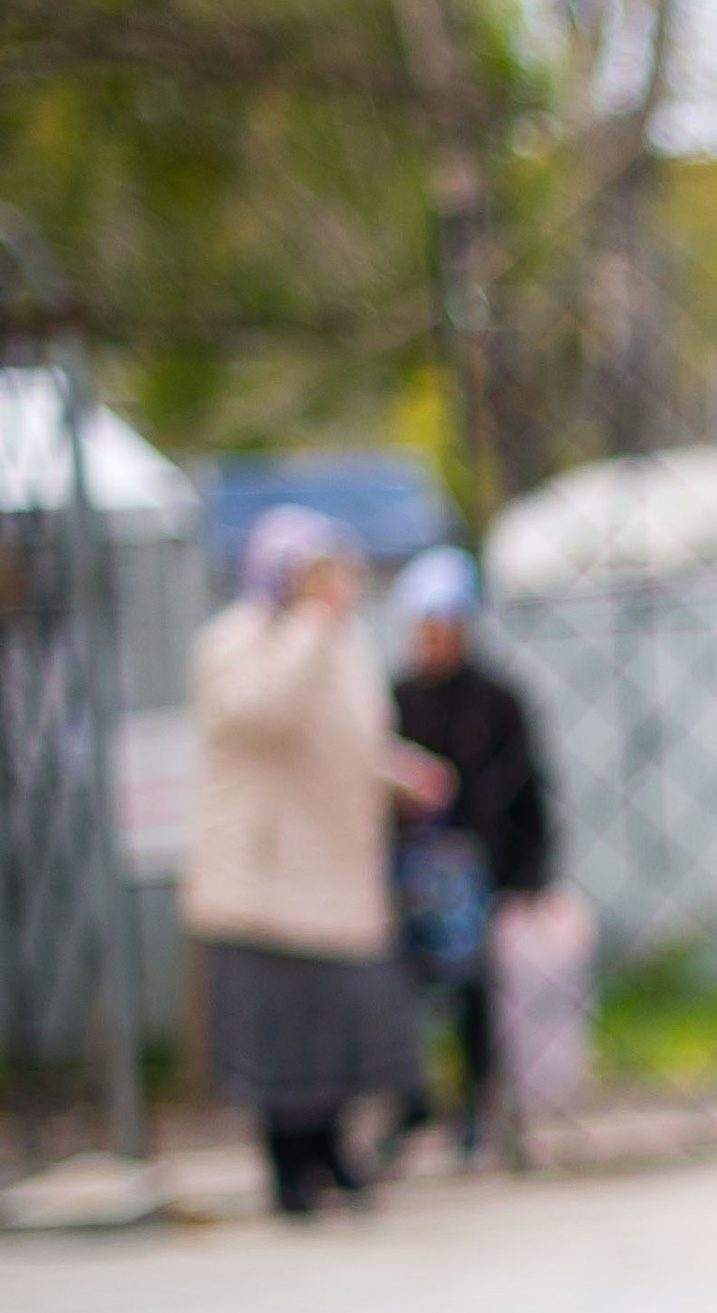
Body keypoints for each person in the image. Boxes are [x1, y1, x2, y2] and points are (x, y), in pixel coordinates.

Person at [183, 508, 452, 1215]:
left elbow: (353, 739)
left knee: (342, 1023)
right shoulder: (237, 640)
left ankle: (334, 1152)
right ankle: (290, 1168)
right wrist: (305, 622)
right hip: (267, 874)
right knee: (281, 1030)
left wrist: (406, 775)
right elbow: (262, 713)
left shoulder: (341, 641)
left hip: (336, 869)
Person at [390, 546, 551, 1163]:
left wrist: (532, 872)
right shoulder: (399, 696)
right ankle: (412, 1099)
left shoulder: (495, 700)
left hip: (476, 866)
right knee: (406, 989)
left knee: (475, 993)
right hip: (410, 868)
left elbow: (528, 786)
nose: (431, 641)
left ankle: (475, 1104)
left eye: (441, 628)